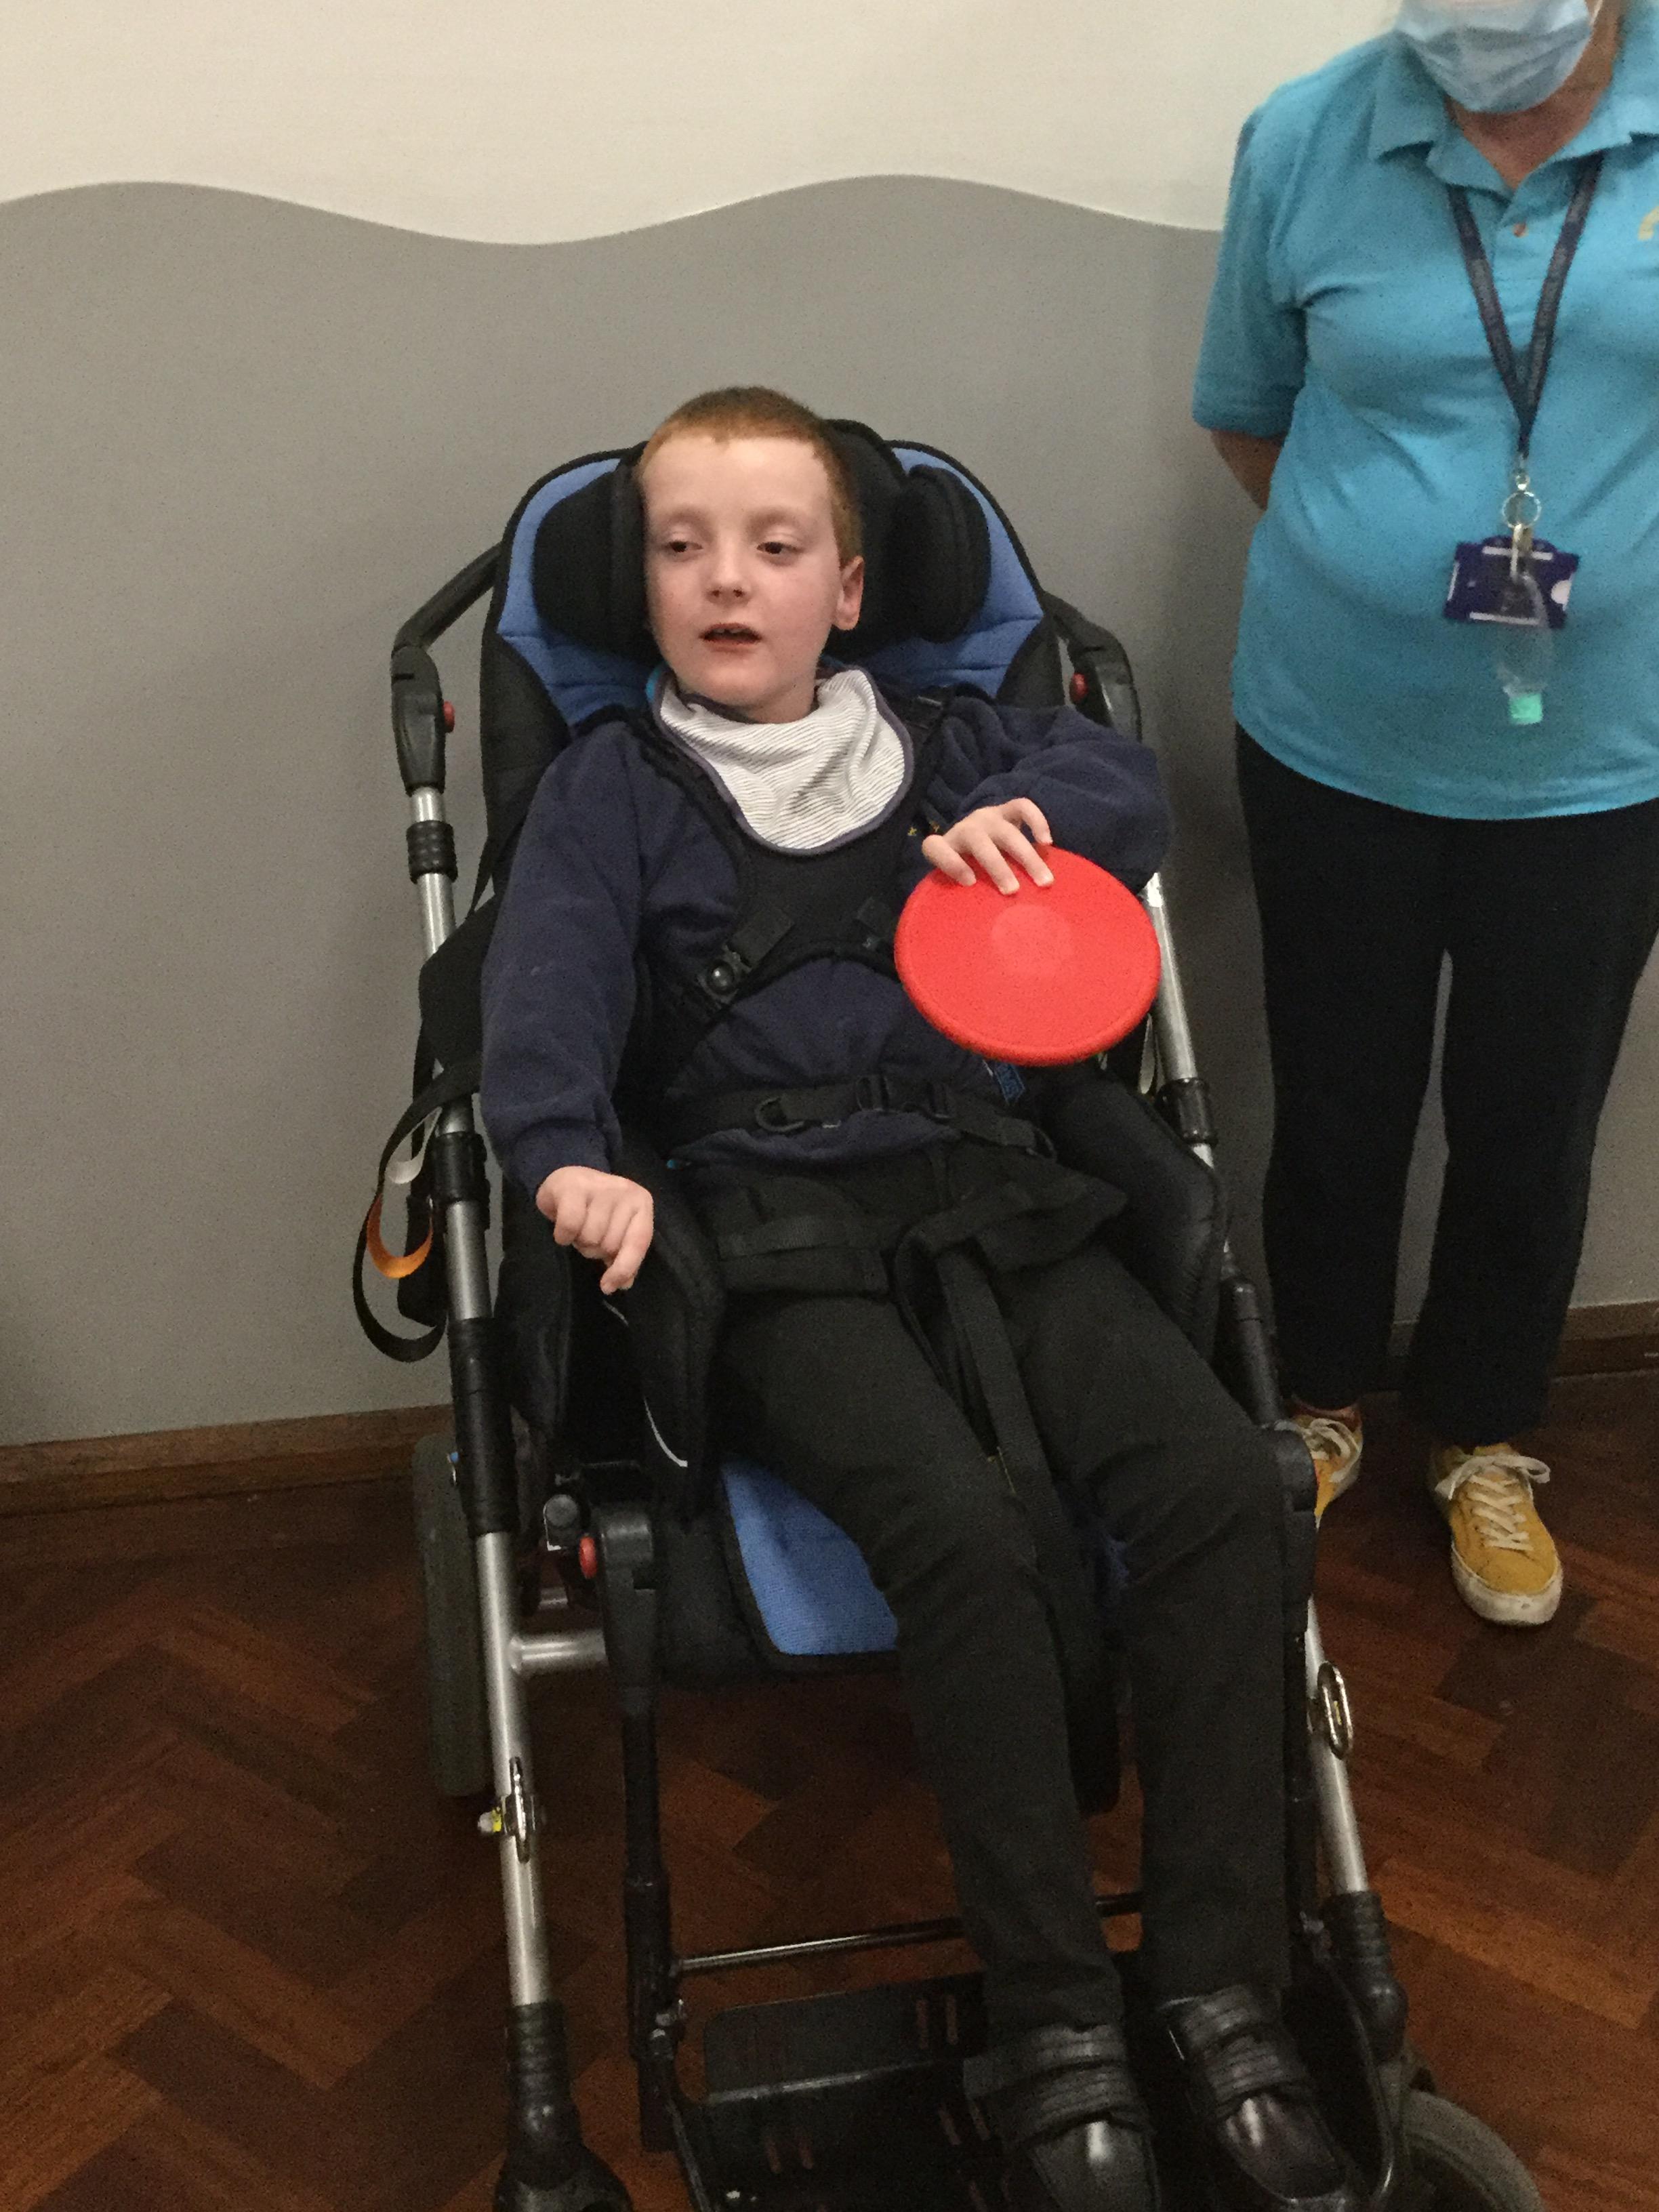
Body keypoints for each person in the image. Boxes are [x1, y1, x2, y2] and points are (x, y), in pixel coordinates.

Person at [481, 388, 1359, 2212]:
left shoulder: (949, 739)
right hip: (764, 1237)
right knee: (956, 1529)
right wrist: (570, 1158)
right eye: (681, 548)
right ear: (639, 588)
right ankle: (1056, 2023)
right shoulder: (608, 790)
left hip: (995, 1191)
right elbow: (542, 1007)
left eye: (775, 547)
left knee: (1221, 1484)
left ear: (853, 588)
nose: (728, 580)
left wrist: (1021, 813)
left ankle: (1218, 1987)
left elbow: (1126, 795)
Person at [1194, 0, 1659, 1626]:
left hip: (1603, 761)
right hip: (1336, 734)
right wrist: (1384, 566)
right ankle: (1319, 1398)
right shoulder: (1309, 134)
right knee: (1335, 1104)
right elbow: (1247, 407)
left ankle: (1484, 1437)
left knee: (1533, 1122)